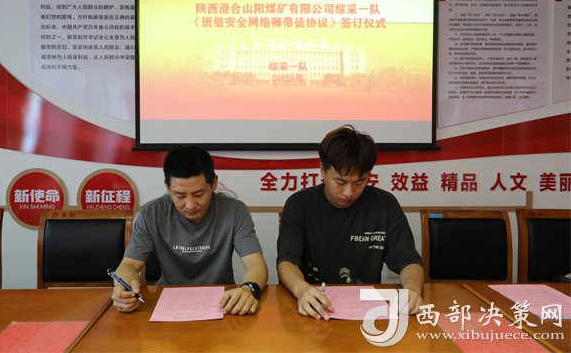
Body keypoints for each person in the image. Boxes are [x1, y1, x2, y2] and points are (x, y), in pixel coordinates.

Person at [276, 125, 424, 320]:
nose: (349, 192)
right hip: (312, 309)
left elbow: (409, 261)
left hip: (368, 312)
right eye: (340, 182)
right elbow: (286, 262)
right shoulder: (299, 204)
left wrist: (412, 289)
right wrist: (301, 289)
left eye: (359, 182)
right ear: (322, 171)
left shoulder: (384, 205)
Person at [112, 146, 268, 315]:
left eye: (199, 194)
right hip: (166, 301)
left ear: (214, 183)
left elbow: (256, 264)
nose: (190, 205)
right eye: (180, 195)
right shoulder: (152, 214)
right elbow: (129, 265)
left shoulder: (235, 211)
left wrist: (247, 289)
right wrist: (125, 289)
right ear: (167, 187)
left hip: (222, 302)